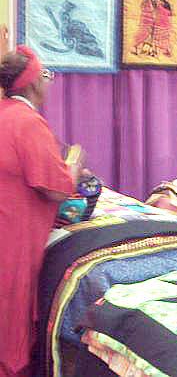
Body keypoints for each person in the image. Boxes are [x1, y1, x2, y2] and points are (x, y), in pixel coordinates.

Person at [0, 46, 81, 377]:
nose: (49, 82)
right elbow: (57, 188)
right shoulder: (27, 122)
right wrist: (75, 162)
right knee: (10, 325)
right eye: (46, 75)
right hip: (13, 240)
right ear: (33, 82)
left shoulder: (4, 113)